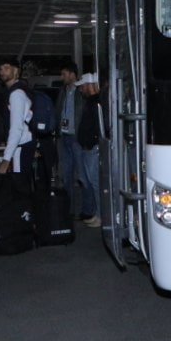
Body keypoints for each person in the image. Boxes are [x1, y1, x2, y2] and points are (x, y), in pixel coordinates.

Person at [0, 57, 34, 183]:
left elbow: (16, 128)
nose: (2, 71)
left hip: (21, 146)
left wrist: (6, 159)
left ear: (16, 71)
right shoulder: (18, 90)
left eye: (6, 68)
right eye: (1, 69)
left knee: (21, 186)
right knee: (23, 185)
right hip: (23, 144)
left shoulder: (16, 94)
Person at [74, 73, 105, 227]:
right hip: (88, 148)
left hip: (92, 148)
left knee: (96, 183)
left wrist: (93, 142)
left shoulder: (97, 102)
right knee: (92, 183)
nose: (81, 89)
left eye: (83, 86)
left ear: (90, 85)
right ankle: (97, 213)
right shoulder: (91, 102)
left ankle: (101, 216)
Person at [55, 61, 83, 197]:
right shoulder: (63, 91)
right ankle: (69, 203)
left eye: (64, 74)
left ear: (72, 75)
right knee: (66, 173)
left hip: (76, 137)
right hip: (64, 136)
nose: (62, 77)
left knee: (81, 173)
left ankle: (82, 204)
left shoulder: (81, 91)